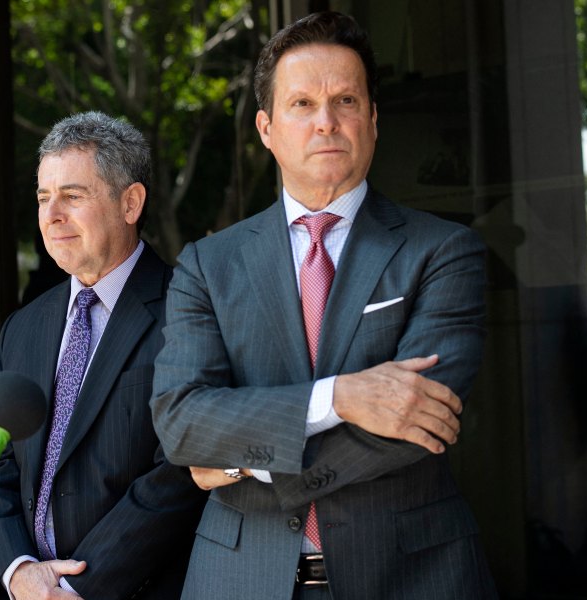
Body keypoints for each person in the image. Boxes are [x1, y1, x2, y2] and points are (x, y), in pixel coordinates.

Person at [150, 11, 497, 600]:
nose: (326, 123)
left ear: (373, 119)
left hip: (412, 578)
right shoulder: (207, 265)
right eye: (302, 104)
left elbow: (418, 423)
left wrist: (239, 462)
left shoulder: (443, 251)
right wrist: (339, 398)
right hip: (239, 580)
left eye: (346, 100)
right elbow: (182, 421)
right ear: (266, 127)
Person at [0, 111, 206, 599]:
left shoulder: (186, 308)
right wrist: (19, 573)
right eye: (43, 198)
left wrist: (76, 589)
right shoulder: (22, 328)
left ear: (130, 203)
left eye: (72, 197)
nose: (51, 215)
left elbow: (179, 473)